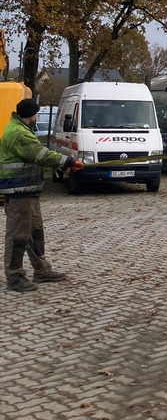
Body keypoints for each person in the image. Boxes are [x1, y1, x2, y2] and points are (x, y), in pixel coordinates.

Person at [0, 97, 84, 293]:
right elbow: (40, 155)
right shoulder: (19, 133)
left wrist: (61, 166)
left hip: (29, 190)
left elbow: (36, 158)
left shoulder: (22, 129)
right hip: (18, 190)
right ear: (30, 115)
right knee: (18, 235)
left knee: (35, 232)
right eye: (36, 113)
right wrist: (69, 162)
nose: (37, 116)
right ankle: (14, 276)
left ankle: (42, 270)